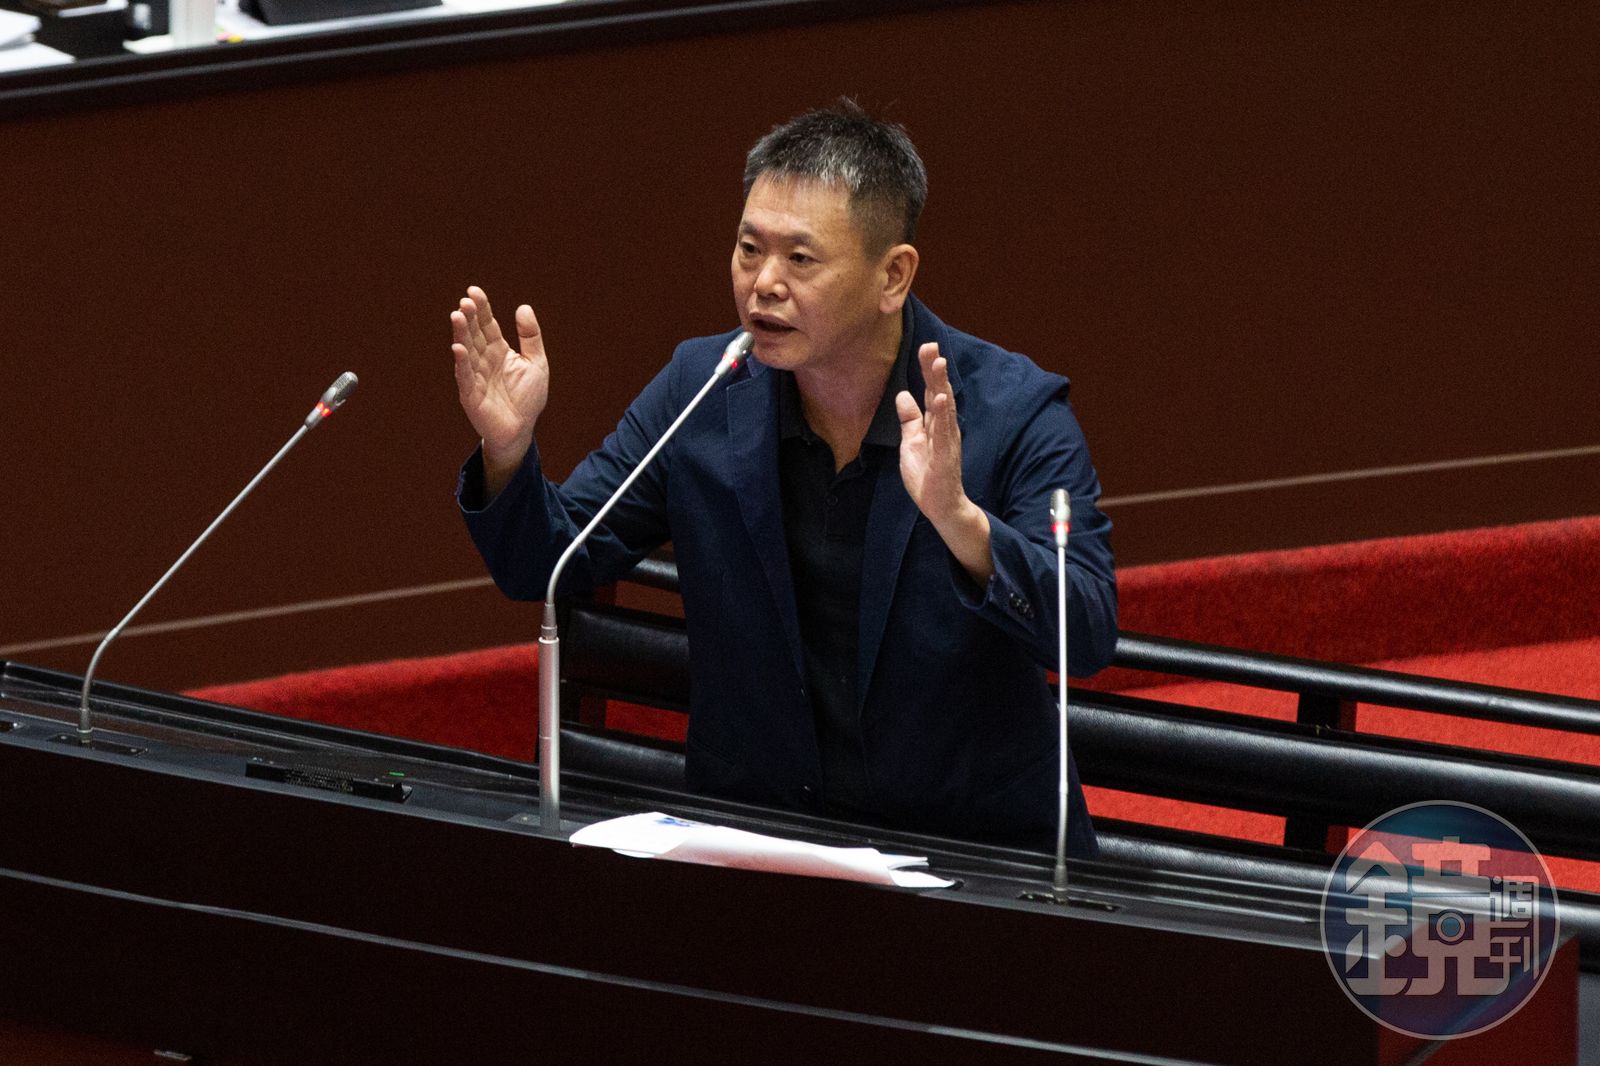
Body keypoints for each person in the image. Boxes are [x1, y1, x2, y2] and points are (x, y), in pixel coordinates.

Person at [452, 101, 1116, 856]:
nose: (762, 284)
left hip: (971, 859)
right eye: (748, 250)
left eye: (801, 259)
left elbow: (1087, 630)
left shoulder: (1011, 412)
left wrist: (963, 524)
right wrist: (508, 450)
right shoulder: (701, 389)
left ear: (892, 275)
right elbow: (548, 561)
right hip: (760, 845)